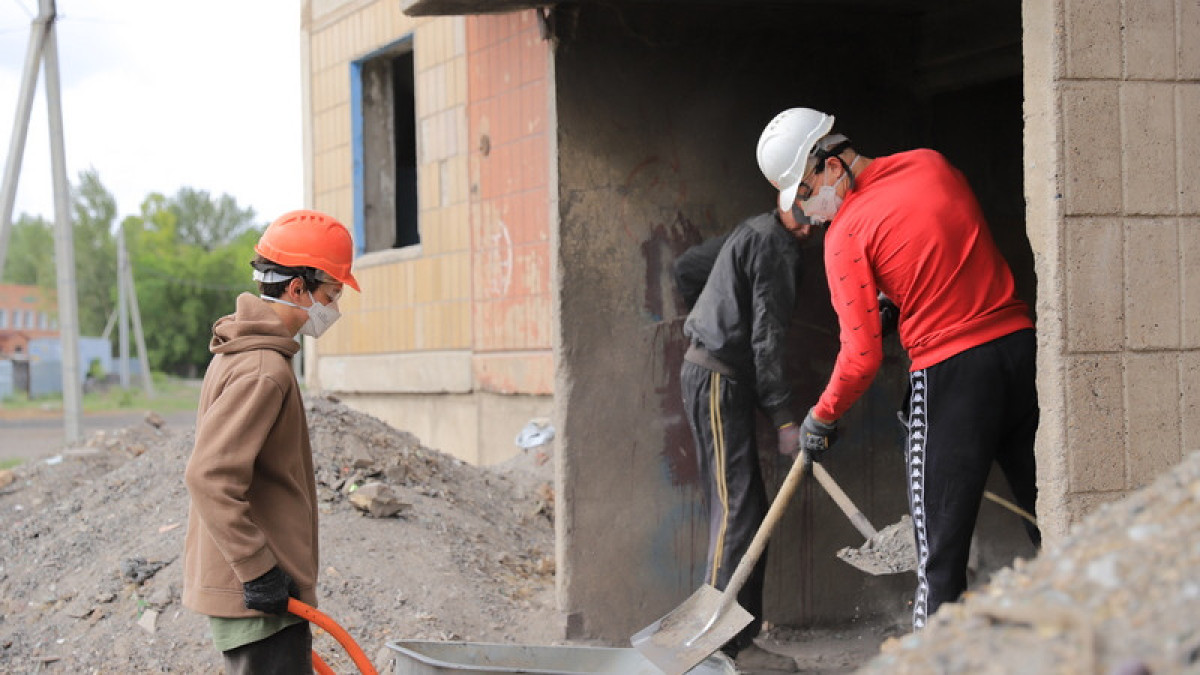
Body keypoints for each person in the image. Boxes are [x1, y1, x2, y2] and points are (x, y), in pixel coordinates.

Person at [756, 107, 1041, 629]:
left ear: (833, 166)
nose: (808, 209)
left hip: (951, 376)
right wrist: (896, 304)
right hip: (1021, 354)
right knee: (1051, 514)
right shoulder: (930, 164)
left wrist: (822, 416)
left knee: (938, 564)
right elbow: (939, 255)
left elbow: (861, 357)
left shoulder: (846, 235)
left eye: (804, 191)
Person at [182, 209, 360, 672]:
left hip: (266, 593)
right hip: (260, 598)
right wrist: (258, 570)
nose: (334, 307)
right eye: (332, 292)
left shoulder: (247, 354)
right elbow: (209, 476)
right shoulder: (264, 368)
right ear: (297, 288)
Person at [675, 202, 815, 670]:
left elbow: (688, 268)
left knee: (747, 508)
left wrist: (717, 316)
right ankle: (718, 647)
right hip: (718, 378)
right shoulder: (774, 245)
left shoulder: (752, 229)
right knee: (738, 510)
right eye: (807, 209)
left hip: (718, 377)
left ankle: (739, 639)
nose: (815, 223)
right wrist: (782, 417)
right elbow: (766, 337)